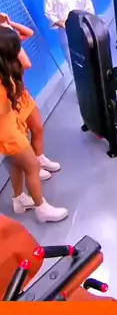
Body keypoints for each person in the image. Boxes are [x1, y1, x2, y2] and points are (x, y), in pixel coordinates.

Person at [0, 26, 68, 222]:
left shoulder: (5, 69)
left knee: (16, 165)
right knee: (32, 167)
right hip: (8, 132)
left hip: (11, 126)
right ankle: (42, 209)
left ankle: (19, 199)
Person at [0, 12, 61, 181]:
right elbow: (26, 64)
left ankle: (40, 158)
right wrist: (9, 33)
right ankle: (33, 165)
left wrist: (10, 23)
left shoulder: (7, 37)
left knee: (38, 128)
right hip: (10, 100)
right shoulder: (4, 43)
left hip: (23, 94)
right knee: (22, 136)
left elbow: (29, 33)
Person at [44, 0, 94, 69]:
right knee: (74, 65)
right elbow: (48, 12)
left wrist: (85, 24)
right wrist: (61, 23)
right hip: (66, 34)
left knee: (90, 61)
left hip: (84, 31)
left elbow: (89, 9)